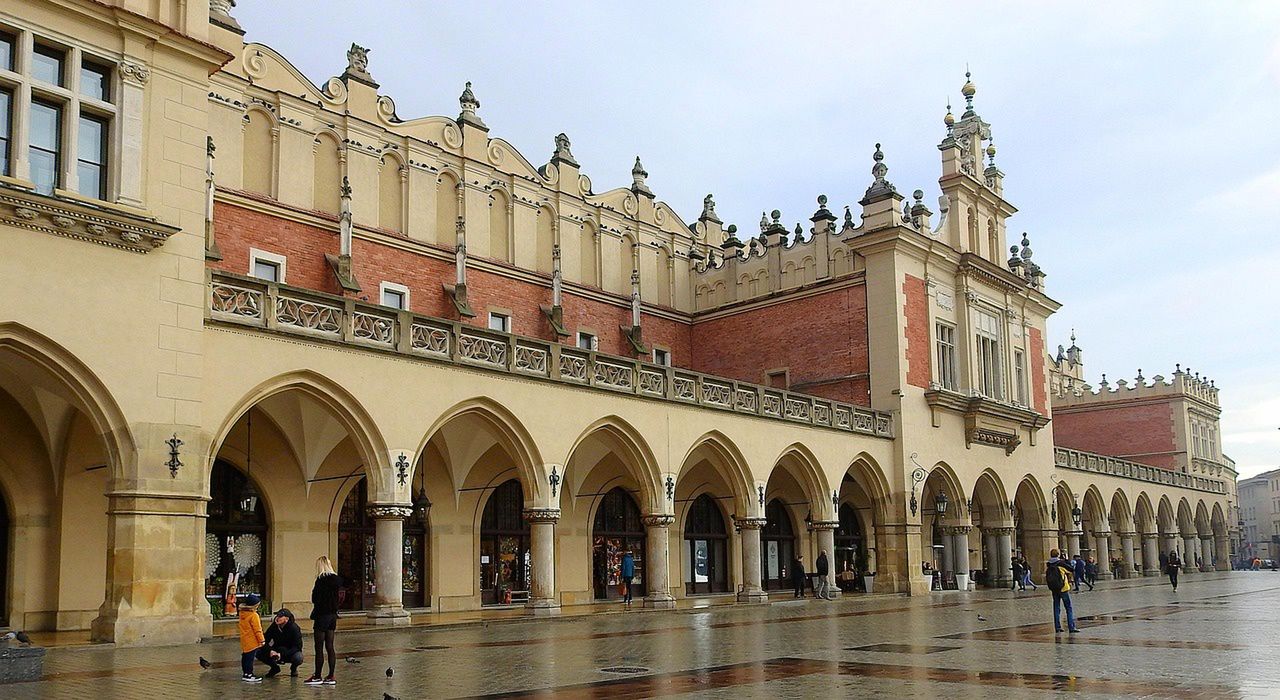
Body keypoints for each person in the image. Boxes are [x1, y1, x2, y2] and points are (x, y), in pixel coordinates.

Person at [305, 555, 341, 686]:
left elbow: (315, 599)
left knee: (319, 647)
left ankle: (317, 675)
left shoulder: (320, 581)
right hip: (332, 616)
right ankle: (331, 675)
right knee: (330, 647)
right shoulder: (337, 580)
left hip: (321, 615)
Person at [257, 608, 303, 678]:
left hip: (289, 651)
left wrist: (281, 654)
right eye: (277, 616)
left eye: (280, 617)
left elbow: (297, 647)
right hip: (277, 649)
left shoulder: (294, 628)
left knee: (298, 657)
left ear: (286, 619)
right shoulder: (274, 626)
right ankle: (274, 668)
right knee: (258, 652)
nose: (277, 618)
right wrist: (270, 651)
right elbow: (265, 640)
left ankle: (293, 668)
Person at [1044, 549, 1079, 634]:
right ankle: (1071, 627)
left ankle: (1057, 627)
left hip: (1054, 589)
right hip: (1063, 588)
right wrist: (1066, 559)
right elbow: (1071, 569)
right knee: (1068, 608)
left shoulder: (1049, 565)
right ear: (1058, 554)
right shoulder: (1060, 564)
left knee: (1056, 607)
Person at [237, 593, 265, 683]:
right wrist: (262, 640)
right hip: (252, 640)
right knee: (250, 658)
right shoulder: (254, 615)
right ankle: (249, 674)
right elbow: (257, 629)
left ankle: (245, 673)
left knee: (245, 657)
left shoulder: (242, 613)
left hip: (245, 639)